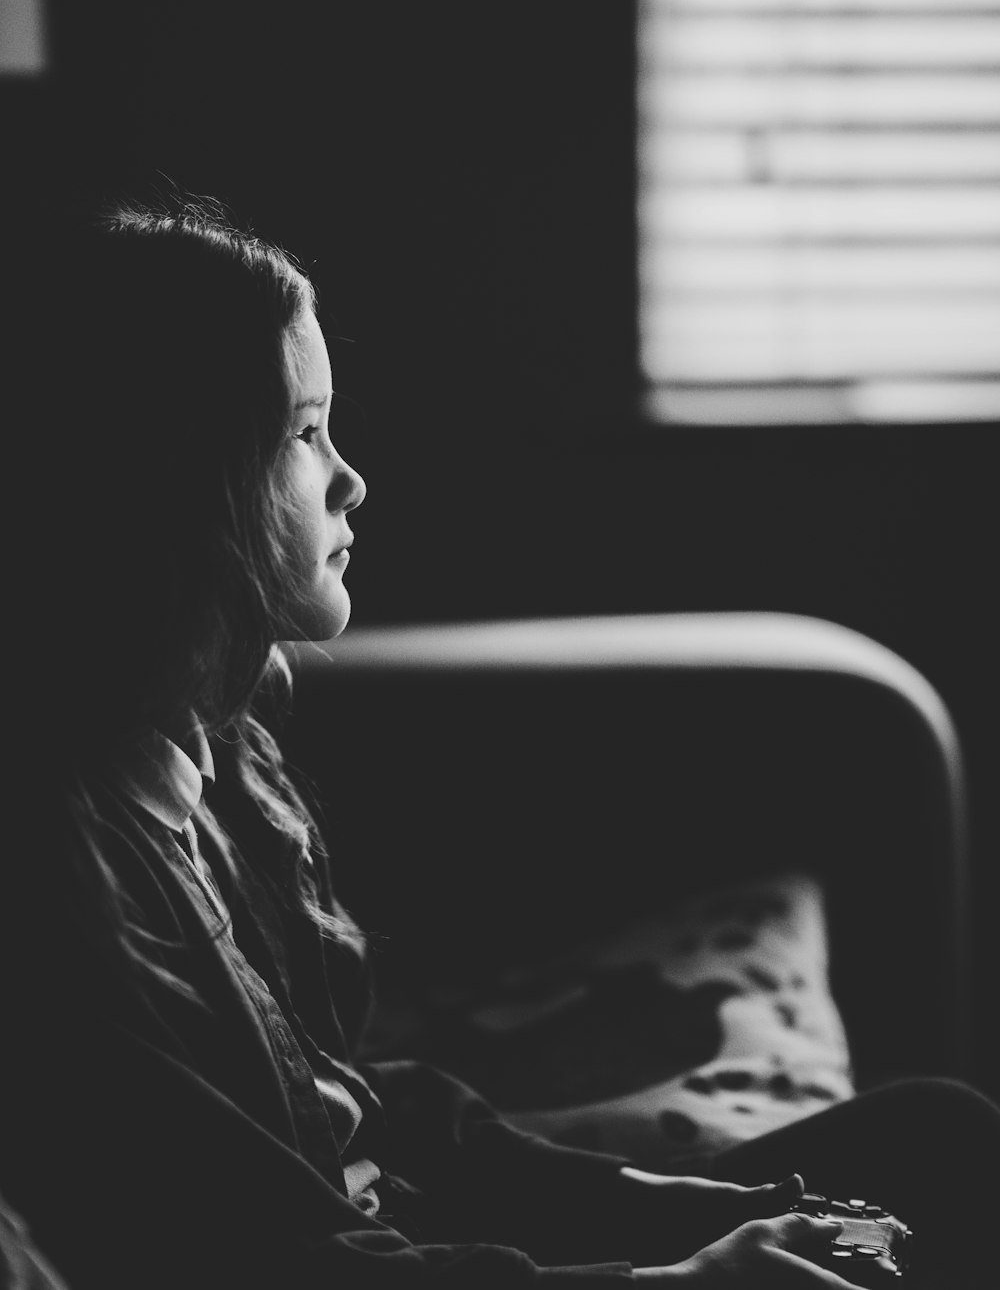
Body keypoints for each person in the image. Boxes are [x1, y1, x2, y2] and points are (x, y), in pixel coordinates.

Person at [3, 196, 997, 1289]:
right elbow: (271, 1255)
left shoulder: (210, 757)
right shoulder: (65, 885)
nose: (350, 478)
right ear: (182, 478)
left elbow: (354, 1106)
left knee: (932, 1138)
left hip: (427, 1230)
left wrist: (678, 1208)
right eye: (303, 431)